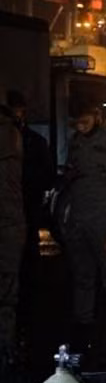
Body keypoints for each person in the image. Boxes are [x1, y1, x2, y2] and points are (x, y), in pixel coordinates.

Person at [62, 101, 106, 332]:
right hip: (79, 219)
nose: (81, 127)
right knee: (83, 277)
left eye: (85, 121)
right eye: (77, 123)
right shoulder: (76, 141)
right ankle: (83, 330)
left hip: (104, 220)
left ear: (96, 115)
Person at [6, 91, 54, 333]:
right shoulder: (31, 141)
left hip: (24, 213)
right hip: (20, 214)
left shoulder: (33, 142)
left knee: (25, 272)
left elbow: (46, 178)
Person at [0, 98, 24, 353]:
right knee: (7, 297)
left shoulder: (9, 134)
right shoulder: (13, 134)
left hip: (8, 224)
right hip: (10, 225)